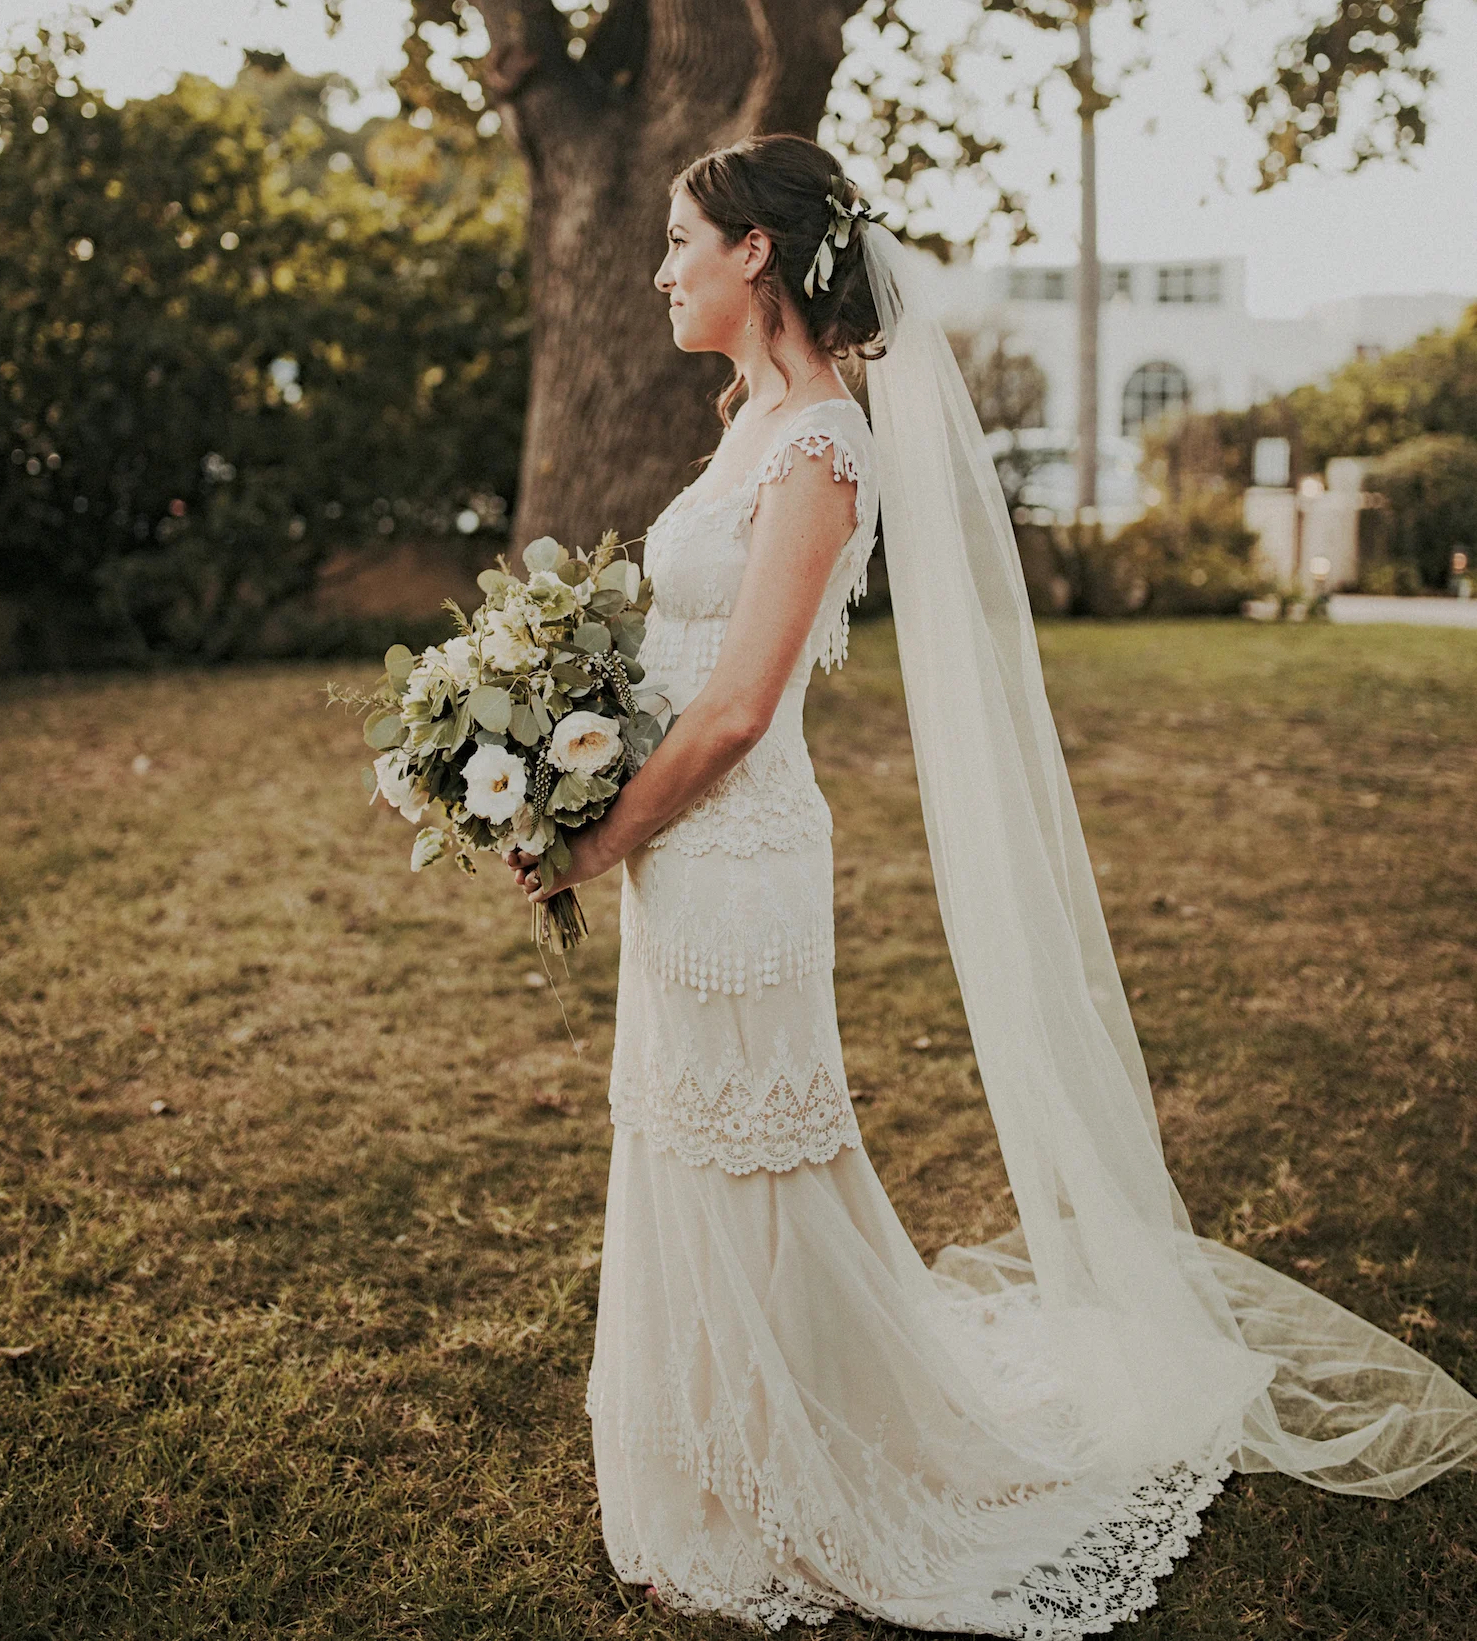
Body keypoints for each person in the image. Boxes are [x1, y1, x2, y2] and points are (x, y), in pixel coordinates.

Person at [504, 135, 1477, 1633]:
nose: (661, 266)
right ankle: (713, 1452)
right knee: (686, 1140)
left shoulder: (824, 439)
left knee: (752, 1155)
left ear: (754, 252)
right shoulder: (751, 415)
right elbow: (676, 660)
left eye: (683, 238)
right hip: (684, 850)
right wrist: (542, 739)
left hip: (740, 854)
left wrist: (592, 834)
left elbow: (744, 706)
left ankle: (801, 1466)